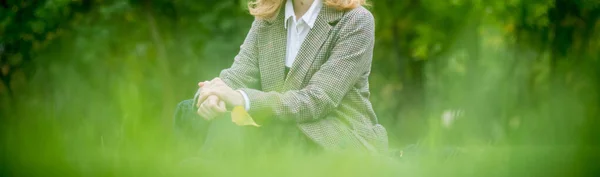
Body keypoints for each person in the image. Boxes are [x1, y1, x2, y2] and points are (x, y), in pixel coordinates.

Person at [174, 0, 388, 155]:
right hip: (279, 123)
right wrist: (212, 96)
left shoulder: (356, 20)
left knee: (249, 129)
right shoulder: (268, 17)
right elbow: (237, 75)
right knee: (189, 110)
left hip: (331, 131)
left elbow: (318, 99)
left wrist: (241, 99)